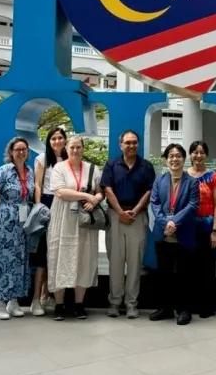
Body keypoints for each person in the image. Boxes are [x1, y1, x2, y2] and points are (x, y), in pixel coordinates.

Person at [48, 135, 104, 320]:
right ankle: (59, 305)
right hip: (63, 218)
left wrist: (95, 199)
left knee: (83, 258)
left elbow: (99, 190)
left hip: (84, 220)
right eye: (72, 147)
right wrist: (86, 197)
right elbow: (60, 191)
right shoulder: (59, 167)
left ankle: (79, 305)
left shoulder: (92, 168)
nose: (75, 150)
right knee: (59, 257)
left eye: (78, 147)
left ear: (83, 148)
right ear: (66, 148)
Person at [101, 129, 155, 319]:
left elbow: (150, 191)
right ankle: (114, 302)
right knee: (115, 262)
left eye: (134, 142)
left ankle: (131, 303)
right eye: (127, 142)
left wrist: (137, 209)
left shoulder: (146, 166)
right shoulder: (111, 165)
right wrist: (119, 212)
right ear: (120, 145)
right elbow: (107, 189)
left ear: (138, 144)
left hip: (137, 217)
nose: (131, 146)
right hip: (116, 217)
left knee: (134, 264)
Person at [0, 137, 33, 320]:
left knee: (18, 261)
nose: (21, 152)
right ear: (11, 152)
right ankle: (0, 302)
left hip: (23, 222)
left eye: (24, 149)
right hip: (5, 221)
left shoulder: (30, 171)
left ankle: (13, 301)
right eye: (17, 149)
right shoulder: (3, 171)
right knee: (2, 261)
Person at [149, 143, 199, 325]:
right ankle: (165, 308)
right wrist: (165, 222)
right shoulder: (159, 180)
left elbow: (193, 205)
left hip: (183, 233)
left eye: (178, 156)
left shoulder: (192, 182)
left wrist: (174, 221)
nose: (174, 159)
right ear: (166, 159)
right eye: (171, 156)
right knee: (164, 272)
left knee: (184, 273)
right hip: (163, 233)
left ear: (184, 159)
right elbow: (154, 203)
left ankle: (184, 309)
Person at [30, 127, 68, 315]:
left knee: (59, 252)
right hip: (46, 202)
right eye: (53, 138)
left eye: (60, 138)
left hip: (65, 204)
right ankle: (36, 298)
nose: (57, 141)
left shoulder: (69, 158)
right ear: (49, 141)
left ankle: (49, 294)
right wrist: (39, 206)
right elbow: (37, 184)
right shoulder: (42, 159)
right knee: (43, 253)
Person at [187, 140, 216, 317]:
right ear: (190, 154)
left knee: (207, 267)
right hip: (188, 227)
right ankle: (191, 303)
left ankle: (207, 306)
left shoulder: (213, 176)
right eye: (195, 152)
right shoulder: (185, 175)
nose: (198, 155)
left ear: (206, 155)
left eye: (201, 152)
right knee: (190, 266)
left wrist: (215, 230)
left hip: (208, 226)